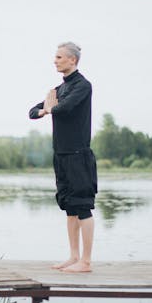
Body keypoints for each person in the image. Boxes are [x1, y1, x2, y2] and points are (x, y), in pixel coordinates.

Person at [29, 42, 97, 273]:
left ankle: (86, 262)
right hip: (61, 155)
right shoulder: (58, 89)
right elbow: (32, 112)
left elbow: (64, 109)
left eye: (59, 57)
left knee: (83, 206)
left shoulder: (83, 86)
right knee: (69, 207)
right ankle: (73, 256)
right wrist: (47, 108)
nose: (55, 60)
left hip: (79, 155)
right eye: (55, 57)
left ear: (72, 60)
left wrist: (49, 108)